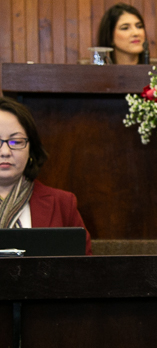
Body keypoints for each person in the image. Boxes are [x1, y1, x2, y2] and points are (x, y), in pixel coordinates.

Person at [0, 98, 92, 255]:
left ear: (31, 149)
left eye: (16, 142)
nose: (5, 152)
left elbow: (84, 266)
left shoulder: (63, 204)